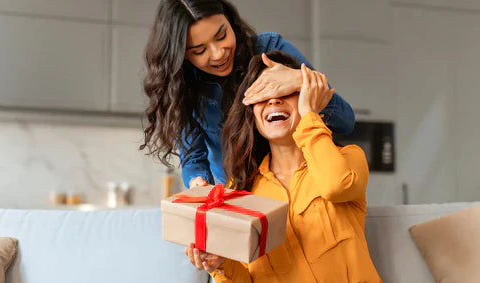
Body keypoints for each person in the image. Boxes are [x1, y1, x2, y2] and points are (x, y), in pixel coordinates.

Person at [185, 51, 383, 283]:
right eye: (263, 94)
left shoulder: (348, 158)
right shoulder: (241, 188)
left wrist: (310, 113)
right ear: (252, 113)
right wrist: (220, 263)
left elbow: (336, 185)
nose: (273, 100)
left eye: (285, 91)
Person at [140, 0, 355, 189]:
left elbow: (345, 121)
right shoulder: (183, 85)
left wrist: (300, 79)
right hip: (240, 200)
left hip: (299, 192)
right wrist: (199, 183)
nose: (218, 54)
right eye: (199, 50)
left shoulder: (270, 49)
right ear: (182, 56)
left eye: (222, 35)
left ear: (230, 20)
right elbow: (193, 160)